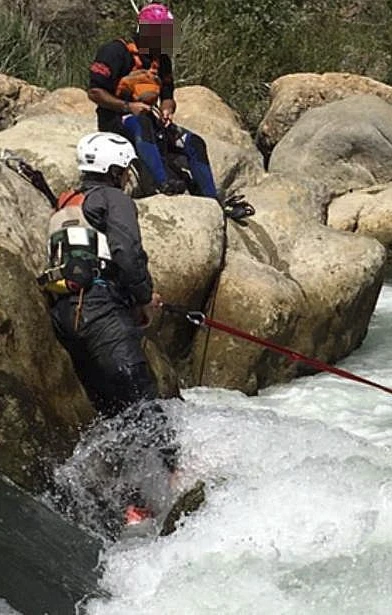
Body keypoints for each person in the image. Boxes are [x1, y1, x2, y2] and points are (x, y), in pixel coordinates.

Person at [41, 132, 176, 531]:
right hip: (101, 309)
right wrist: (143, 297)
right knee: (142, 399)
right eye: (126, 169)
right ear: (115, 169)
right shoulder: (113, 199)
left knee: (114, 412)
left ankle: (127, 505)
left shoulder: (65, 204)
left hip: (66, 315)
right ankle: (168, 484)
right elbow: (128, 254)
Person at [86, 3, 252, 219]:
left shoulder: (161, 60)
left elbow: (167, 96)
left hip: (148, 118)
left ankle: (212, 200)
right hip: (117, 119)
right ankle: (162, 182)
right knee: (141, 123)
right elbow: (95, 92)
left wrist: (167, 110)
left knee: (193, 142)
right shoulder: (115, 52)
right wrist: (128, 107)